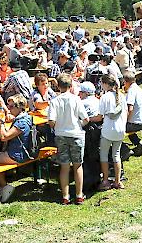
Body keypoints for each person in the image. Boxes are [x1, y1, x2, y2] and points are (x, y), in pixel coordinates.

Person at [48, 73, 89, 205]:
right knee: (78, 166)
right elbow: (86, 119)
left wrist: (58, 127)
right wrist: (78, 125)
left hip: (61, 134)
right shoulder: (76, 99)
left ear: (58, 86)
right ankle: (79, 194)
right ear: (71, 86)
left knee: (64, 166)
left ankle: (65, 196)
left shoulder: (54, 101)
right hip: (76, 134)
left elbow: (51, 121)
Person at [0, 94, 33, 203]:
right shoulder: (27, 117)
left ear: (19, 107)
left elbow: (4, 137)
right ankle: (1, 188)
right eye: (8, 106)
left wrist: (1, 123)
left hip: (17, 155)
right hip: (24, 152)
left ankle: (5, 186)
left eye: (11, 107)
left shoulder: (21, 122)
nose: (8, 109)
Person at [96, 75, 127, 191]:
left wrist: (89, 119)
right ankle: (117, 181)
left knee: (104, 155)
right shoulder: (122, 96)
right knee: (116, 155)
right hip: (120, 130)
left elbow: (100, 117)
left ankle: (105, 180)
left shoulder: (105, 97)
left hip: (108, 130)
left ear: (105, 84)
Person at [123, 70, 142, 156]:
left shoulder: (131, 91)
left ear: (125, 81)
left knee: (115, 129)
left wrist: (124, 120)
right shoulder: (140, 89)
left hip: (135, 124)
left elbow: (130, 109)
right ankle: (139, 143)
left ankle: (125, 150)